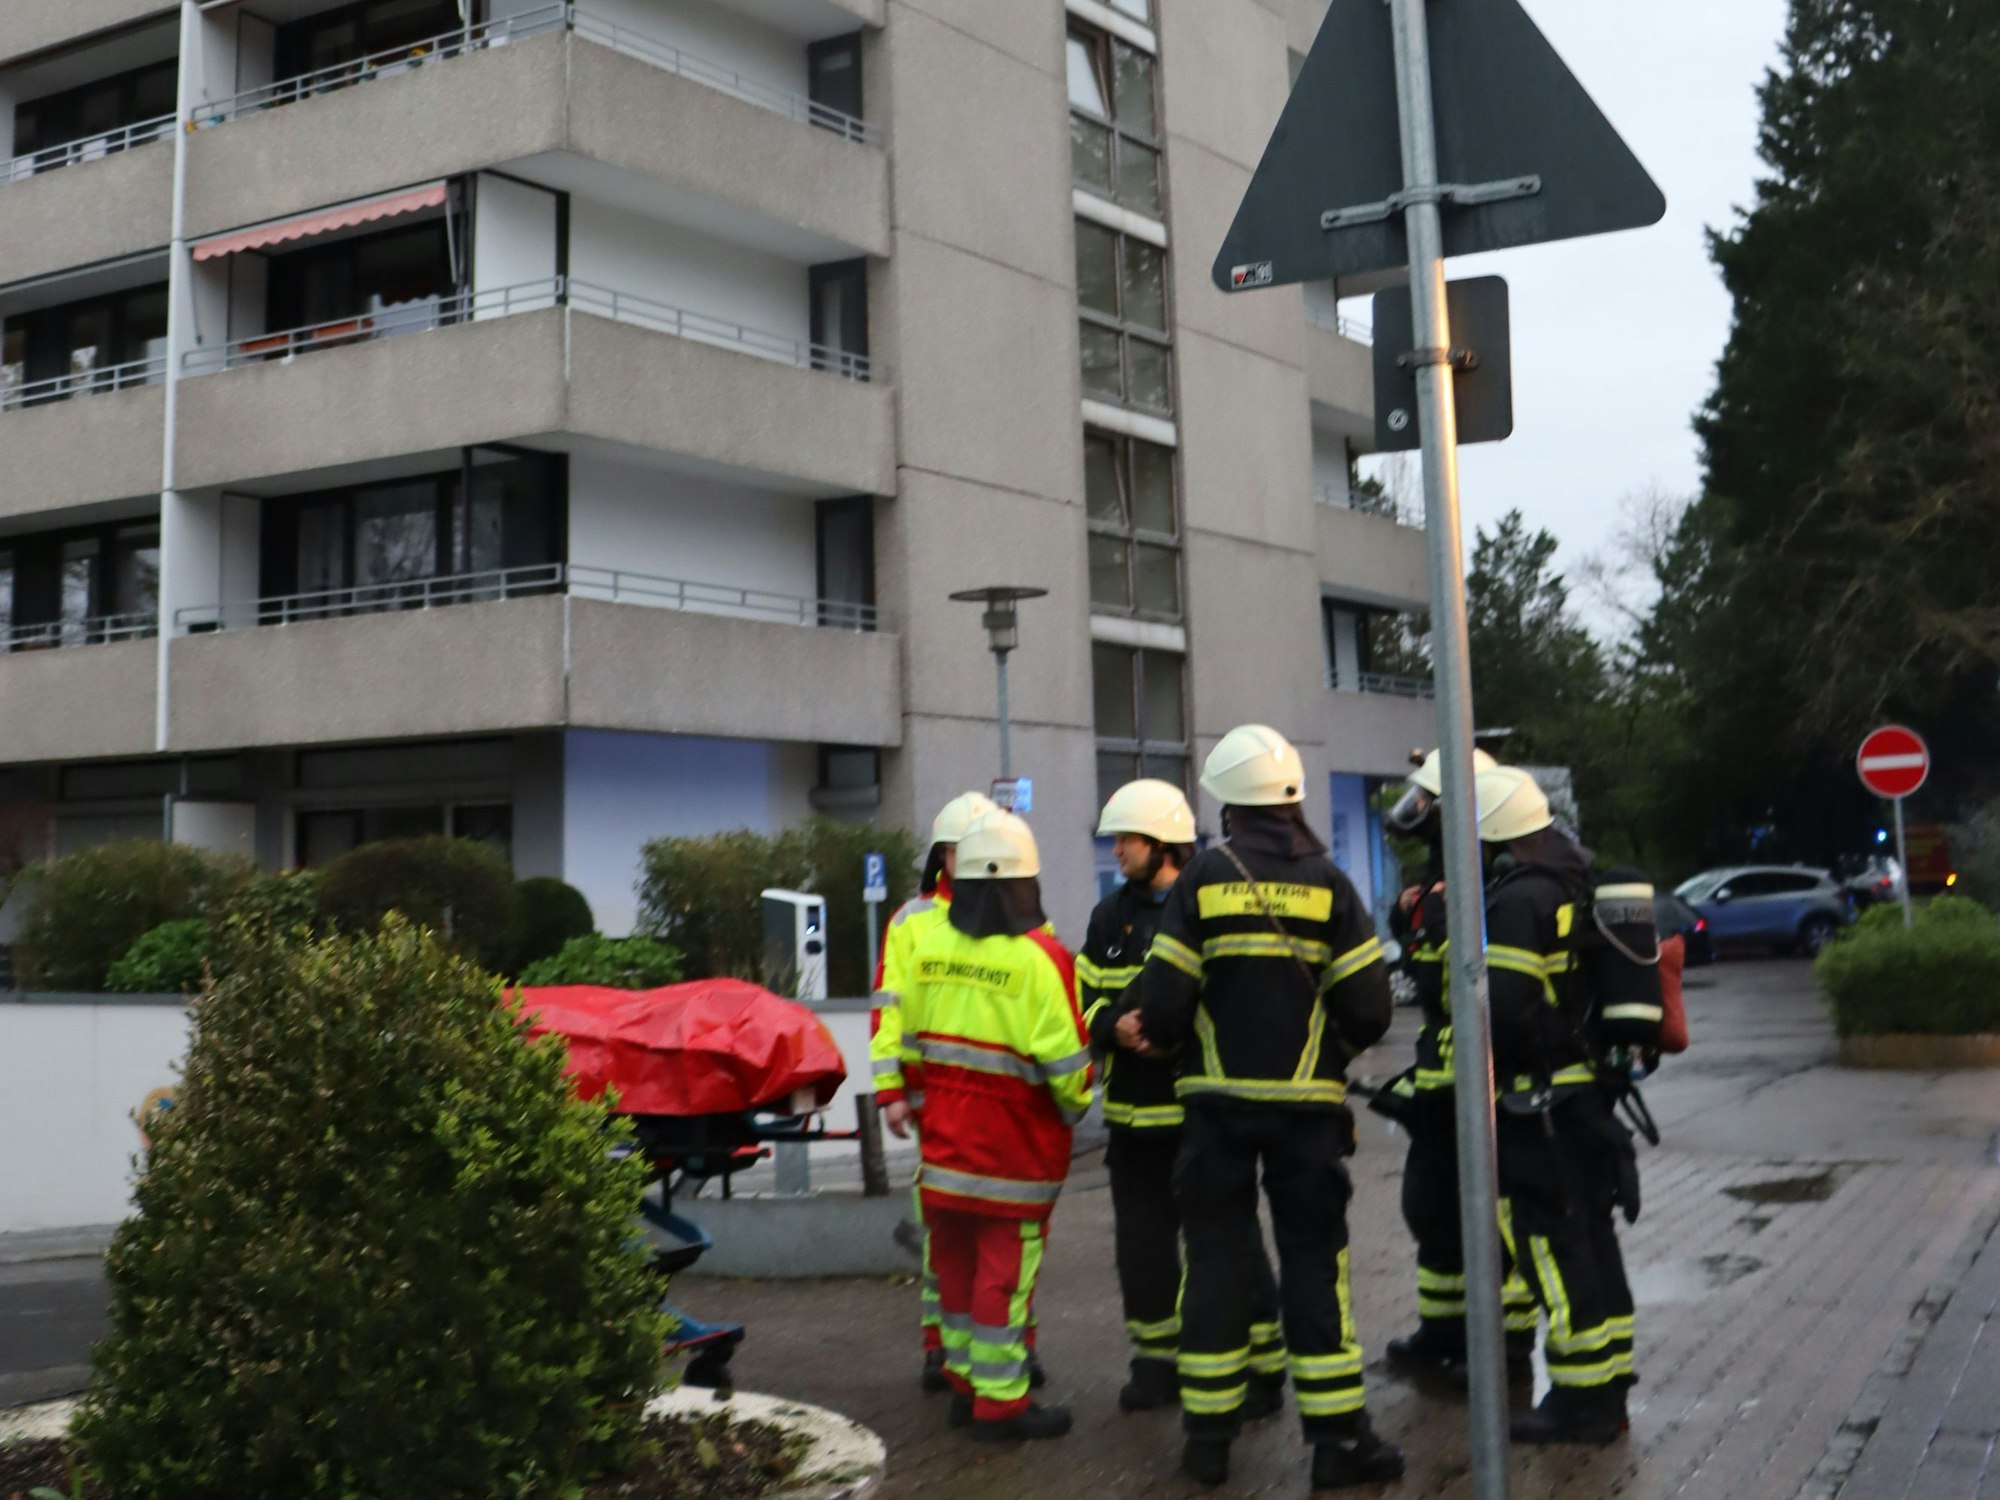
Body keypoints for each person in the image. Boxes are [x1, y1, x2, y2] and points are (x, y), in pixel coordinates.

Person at [1128, 725, 1404, 1490]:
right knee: (1316, 1270)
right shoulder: (1330, 882)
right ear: (1291, 801)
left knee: (1215, 1267)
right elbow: (1372, 1011)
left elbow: (1163, 1003)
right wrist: (1329, 1055)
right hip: (1309, 1117)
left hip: (1215, 1112)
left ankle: (1208, 1443)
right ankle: (1338, 1444)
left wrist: (1174, 1040)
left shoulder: (1204, 881)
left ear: (1229, 805)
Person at [1080, 779, 1286, 1417]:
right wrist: (1108, 1023)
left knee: (1228, 1242)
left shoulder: (1205, 904)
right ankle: (1156, 1365)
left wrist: (1171, 1037)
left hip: (1201, 1115)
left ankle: (1261, 1364)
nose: (1117, 851)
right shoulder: (1107, 917)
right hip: (1131, 1123)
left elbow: (1233, 1000)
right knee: (1141, 1252)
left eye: (1127, 839)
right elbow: (1083, 995)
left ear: (1162, 842)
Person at [896, 810, 1092, 1441]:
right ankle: (1002, 1403)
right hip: (1014, 1157)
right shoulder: (1043, 958)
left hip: (944, 1151)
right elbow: (1069, 1072)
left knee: (951, 1272)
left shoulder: (928, 949)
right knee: (1001, 1282)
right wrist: (1075, 1109)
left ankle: (962, 1384)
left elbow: (908, 1048)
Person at [1474, 765, 1640, 1445]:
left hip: (1540, 1106)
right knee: (1594, 1238)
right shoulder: (1582, 881)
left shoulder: (1519, 899)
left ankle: (1578, 1400)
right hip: (1590, 1098)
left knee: (1550, 1246)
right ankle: (1613, 1381)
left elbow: (1508, 1009)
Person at [1378, 749, 1538, 1380]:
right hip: (1440, 1087)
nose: (1419, 817)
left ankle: (1508, 1347)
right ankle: (1441, 1333)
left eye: (1431, 805)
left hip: (1490, 1091)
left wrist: (1435, 924)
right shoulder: (1446, 882)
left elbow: (1473, 987)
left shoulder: (1493, 887)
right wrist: (1413, 922)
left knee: (1495, 1220)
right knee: (1433, 1209)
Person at [869, 790, 1003, 1393]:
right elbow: (887, 1010)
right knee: (944, 1223)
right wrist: (889, 1089)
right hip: (931, 1092)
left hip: (999, 1095)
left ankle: (1005, 1346)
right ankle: (942, 1344)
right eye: (960, 850)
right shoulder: (911, 920)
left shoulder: (1017, 911)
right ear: (943, 855)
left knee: (1004, 1227)